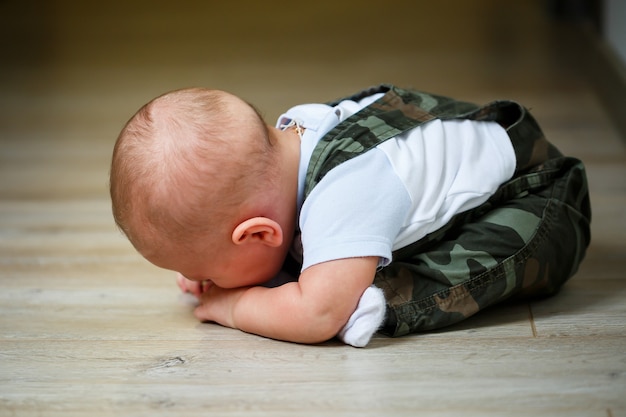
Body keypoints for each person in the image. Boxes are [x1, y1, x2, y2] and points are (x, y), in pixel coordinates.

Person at [109, 84, 591, 347]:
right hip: (492, 152)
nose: (199, 282)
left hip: (540, 204)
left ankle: (366, 293)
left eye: (204, 271)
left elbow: (316, 316)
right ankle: (335, 273)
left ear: (258, 232)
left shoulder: (342, 195)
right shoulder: (297, 133)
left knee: (364, 296)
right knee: (317, 266)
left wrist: (235, 306)